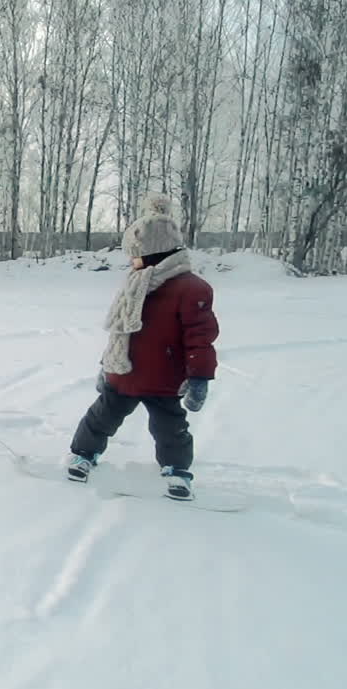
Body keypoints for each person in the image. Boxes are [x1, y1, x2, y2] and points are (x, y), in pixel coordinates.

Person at [66, 192, 219, 500]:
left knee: (170, 429)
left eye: (135, 255)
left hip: (164, 378)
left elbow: (200, 338)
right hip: (123, 373)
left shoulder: (191, 289)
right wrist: (104, 364)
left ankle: (177, 471)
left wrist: (200, 377)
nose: (131, 261)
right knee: (100, 418)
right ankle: (83, 454)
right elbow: (119, 330)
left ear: (155, 253)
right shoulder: (135, 282)